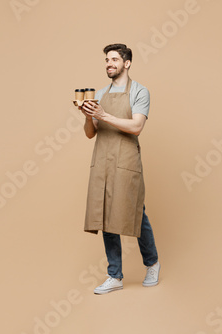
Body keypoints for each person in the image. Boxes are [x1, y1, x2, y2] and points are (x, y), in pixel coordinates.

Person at [79, 43, 160, 294]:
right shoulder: (99, 94)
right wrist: (87, 115)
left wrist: (102, 115)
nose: (109, 64)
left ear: (127, 63)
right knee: (104, 215)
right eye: (106, 60)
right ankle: (115, 275)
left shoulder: (140, 91)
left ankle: (152, 263)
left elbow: (136, 127)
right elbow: (90, 134)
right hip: (102, 159)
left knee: (135, 212)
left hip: (125, 160)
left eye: (114, 59)